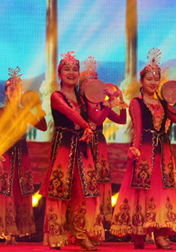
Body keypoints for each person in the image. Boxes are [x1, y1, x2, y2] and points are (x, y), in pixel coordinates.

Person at [110, 48, 176, 250]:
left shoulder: (163, 104)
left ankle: (161, 234)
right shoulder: (136, 103)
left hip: (163, 154)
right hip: (144, 152)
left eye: (156, 79)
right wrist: (134, 149)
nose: (153, 82)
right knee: (142, 192)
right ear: (141, 81)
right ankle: (139, 232)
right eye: (149, 78)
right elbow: (138, 128)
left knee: (162, 191)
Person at [40, 52, 114, 251]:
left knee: (86, 189)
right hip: (64, 146)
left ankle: (82, 234)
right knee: (60, 188)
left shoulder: (82, 99)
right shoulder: (57, 96)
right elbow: (71, 114)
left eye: (75, 69)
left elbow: (96, 118)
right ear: (59, 74)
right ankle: (57, 234)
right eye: (67, 69)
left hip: (82, 147)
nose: (71, 73)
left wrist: (110, 99)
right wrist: (87, 127)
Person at [0, 67, 48, 243]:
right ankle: (8, 232)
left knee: (19, 190)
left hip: (22, 154)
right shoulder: (0, 112)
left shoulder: (24, 112)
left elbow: (43, 127)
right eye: (11, 89)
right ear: (6, 92)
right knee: (6, 192)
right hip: (5, 154)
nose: (15, 93)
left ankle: (17, 231)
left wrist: (37, 108)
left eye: (18, 89)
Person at [78, 57, 128, 240]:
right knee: (86, 183)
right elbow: (97, 119)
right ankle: (82, 227)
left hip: (99, 144)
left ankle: (96, 227)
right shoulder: (82, 105)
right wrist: (110, 101)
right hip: (85, 145)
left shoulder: (100, 104)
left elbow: (122, 120)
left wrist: (119, 99)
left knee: (99, 183)